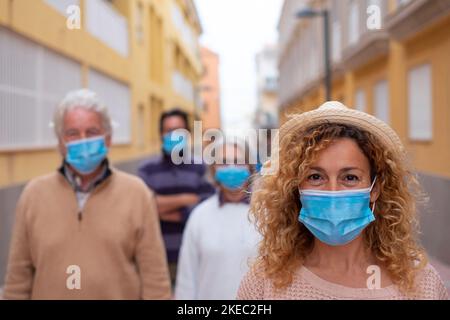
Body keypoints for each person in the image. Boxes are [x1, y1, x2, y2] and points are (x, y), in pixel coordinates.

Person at [237, 101, 449, 300]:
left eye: (350, 177)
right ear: (296, 188)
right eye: (315, 177)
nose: (333, 191)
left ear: (375, 189)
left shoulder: (422, 284)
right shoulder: (263, 284)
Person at [3, 89, 171, 299]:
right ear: (60, 142)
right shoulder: (33, 195)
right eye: (72, 133)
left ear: (108, 139)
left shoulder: (137, 194)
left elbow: (155, 279)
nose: (82, 141)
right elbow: (17, 280)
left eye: (91, 132)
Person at [175, 140, 261, 299]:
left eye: (237, 161)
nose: (231, 168)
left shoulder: (267, 215)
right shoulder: (199, 216)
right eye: (223, 162)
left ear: (250, 167)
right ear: (213, 170)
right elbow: (187, 278)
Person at [138, 109, 215, 285]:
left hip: (194, 256)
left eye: (179, 130)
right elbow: (143, 207)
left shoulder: (199, 167)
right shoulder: (146, 170)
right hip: (157, 257)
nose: (174, 135)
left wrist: (160, 209)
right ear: (160, 134)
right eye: (169, 131)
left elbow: (206, 208)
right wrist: (185, 199)